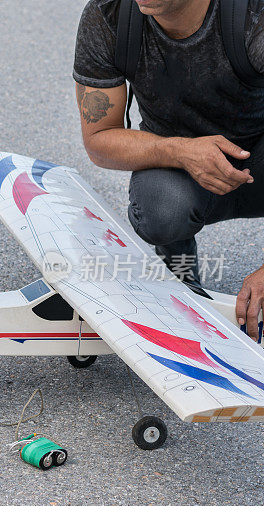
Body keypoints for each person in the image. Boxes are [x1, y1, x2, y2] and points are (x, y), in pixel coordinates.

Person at [73, 0, 264, 339]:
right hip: (185, 164)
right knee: (160, 210)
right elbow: (99, 139)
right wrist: (181, 150)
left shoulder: (253, 15)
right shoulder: (111, 14)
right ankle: (181, 276)